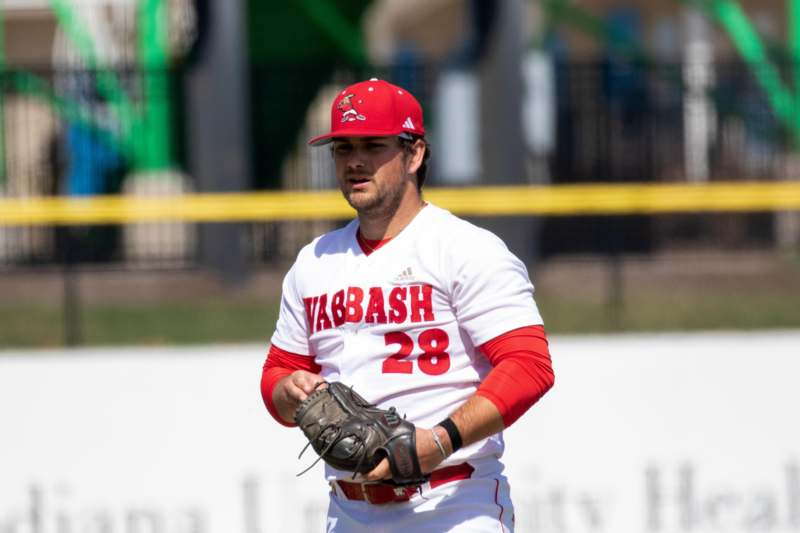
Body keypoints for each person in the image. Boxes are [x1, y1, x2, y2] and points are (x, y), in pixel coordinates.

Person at [260, 78, 555, 532]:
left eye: (372, 145)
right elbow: (277, 374)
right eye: (342, 148)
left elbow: (529, 365)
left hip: (453, 503)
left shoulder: (463, 249)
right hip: (348, 510)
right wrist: (288, 391)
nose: (355, 161)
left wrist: (440, 439)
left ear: (414, 153)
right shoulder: (314, 261)